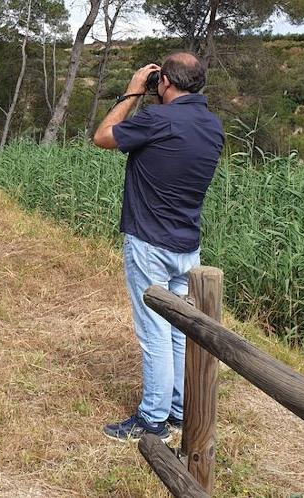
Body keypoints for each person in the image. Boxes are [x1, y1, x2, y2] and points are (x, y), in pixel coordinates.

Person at [92, 52, 224, 442]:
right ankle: (181, 410)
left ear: (164, 80)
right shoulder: (213, 125)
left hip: (150, 241)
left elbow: (103, 137)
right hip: (187, 244)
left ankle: (152, 421)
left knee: (154, 332)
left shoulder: (156, 119)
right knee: (178, 330)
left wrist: (132, 92)